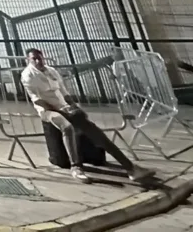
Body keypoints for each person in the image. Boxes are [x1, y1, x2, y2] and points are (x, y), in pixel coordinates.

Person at [20, 49, 152, 184]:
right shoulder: (28, 75)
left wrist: (74, 106)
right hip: (48, 110)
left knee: (93, 130)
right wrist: (63, 112)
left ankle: (129, 167)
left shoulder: (51, 71)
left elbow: (64, 92)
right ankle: (76, 167)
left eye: (39, 58)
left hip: (63, 106)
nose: (38, 61)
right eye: (34, 59)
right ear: (28, 60)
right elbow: (38, 101)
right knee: (67, 127)